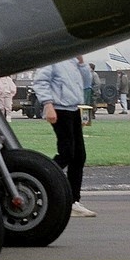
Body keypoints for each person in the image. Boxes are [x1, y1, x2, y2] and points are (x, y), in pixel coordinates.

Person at [33, 57, 94, 217]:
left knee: (79, 156)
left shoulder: (73, 60)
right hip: (60, 109)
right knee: (67, 153)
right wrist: (47, 104)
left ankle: (74, 201)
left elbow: (87, 82)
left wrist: (82, 62)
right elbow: (40, 81)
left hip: (73, 109)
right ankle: (39, 179)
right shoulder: (54, 58)